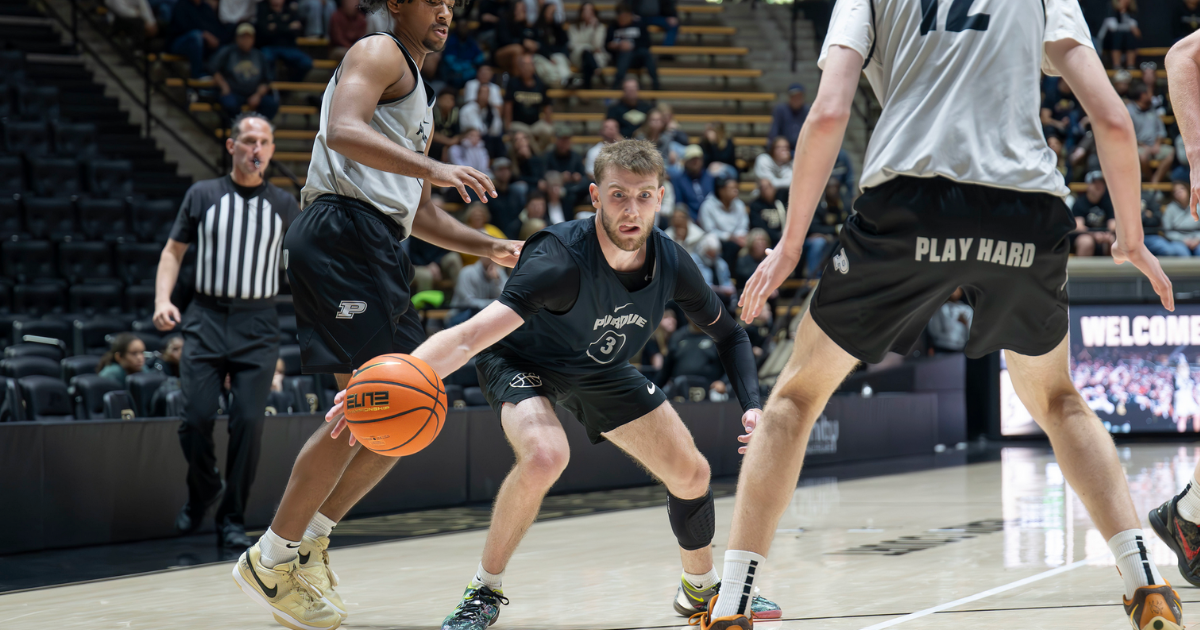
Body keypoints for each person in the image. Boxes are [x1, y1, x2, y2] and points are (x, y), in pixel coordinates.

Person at [698, 0, 1181, 628]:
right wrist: (1132, 238)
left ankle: (734, 598)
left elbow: (829, 113)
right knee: (1059, 401)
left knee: (793, 399)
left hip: (910, 203)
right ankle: (1146, 579)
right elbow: (1113, 120)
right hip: (1026, 213)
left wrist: (790, 245)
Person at [319, 139, 778, 630]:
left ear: (661, 199)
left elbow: (730, 334)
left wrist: (752, 405)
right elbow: (468, 336)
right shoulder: (558, 260)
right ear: (595, 197)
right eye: (619, 195)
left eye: (644, 196)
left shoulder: (671, 261)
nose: (631, 209)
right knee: (545, 454)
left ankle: (700, 591)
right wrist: (380, 381)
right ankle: (483, 591)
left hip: (598, 366)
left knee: (692, 474)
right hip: (521, 358)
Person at [229, 0, 520, 626]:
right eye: (431, 0)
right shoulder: (378, 51)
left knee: (408, 411)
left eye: (451, 2)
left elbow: (416, 212)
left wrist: (491, 246)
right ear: (397, 4)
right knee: (369, 404)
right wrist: (434, 166)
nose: (444, 11)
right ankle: (272, 554)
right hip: (342, 231)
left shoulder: (420, 92)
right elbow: (342, 129)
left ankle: (308, 543)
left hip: (377, 240)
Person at [152, 113, 299, 550]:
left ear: (271, 151)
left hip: (258, 323)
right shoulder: (203, 194)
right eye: (249, 140)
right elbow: (172, 251)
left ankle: (232, 516)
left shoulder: (285, 205)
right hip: (206, 318)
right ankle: (204, 492)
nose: (257, 149)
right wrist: (164, 300)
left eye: (265, 142)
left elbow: (306, 264)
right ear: (232, 146)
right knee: (194, 419)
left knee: (249, 424)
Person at [211, 24, 279, 121]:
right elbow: (214, 70)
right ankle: (235, 129)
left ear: (253, 39)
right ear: (237, 38)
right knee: (229, 103)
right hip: (234, 92)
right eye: (243, 37)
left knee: (271, 104)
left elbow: (267, 80)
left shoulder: (259, 55)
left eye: (248, 37)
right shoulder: (228, 52)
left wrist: (258, 95)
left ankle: (258, 128)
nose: (246, 40)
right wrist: (224, 86)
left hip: (253, 92)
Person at [504, 53, 556, 152]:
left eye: (528, 65)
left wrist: (548, 122)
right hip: (518, 123)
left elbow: (547, 105)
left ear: (533, 67)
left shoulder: (540, 84)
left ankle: (534, 154)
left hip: (535, 123)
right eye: (523, 66)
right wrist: (508, 125)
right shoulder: (513, 83)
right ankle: (538, 156)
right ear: (520, 68)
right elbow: (508, 105)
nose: (526, 68)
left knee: (548, 131)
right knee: (524, 133)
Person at [1127, 82, 1174, 183]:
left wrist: (1157, 144)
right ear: (1142, 95)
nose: (1151, 96)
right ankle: (1150, 181)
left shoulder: (1152, 109)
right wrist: (1144, 146)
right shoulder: (1129, 111)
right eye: (1148, 93)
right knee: (1142, 156)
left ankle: (1155, 181)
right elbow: (1127, 135)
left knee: (1171, 153)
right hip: (1138, 147)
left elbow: (1161, 130)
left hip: (1155, 145)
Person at [167, 0, 227, 79]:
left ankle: (216, 72)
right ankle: (197, 74)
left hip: (203, 44)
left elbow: (215, 27)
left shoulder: (206, 7)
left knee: (223, 38)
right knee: (196, 36)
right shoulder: (181, 5)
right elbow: (181, 27)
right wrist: (203, 34)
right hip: (179, 43)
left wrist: (214, 38)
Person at [606, 2, 659, 91]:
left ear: (630, 15)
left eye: (625, 16)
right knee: (626, 53)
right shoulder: (613, 27)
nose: (623, 19)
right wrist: (617, 46)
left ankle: (656, 83)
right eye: (620, 17)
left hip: (638, 57)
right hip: (620, 57)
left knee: (646, 53)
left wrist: (632, 45)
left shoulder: (639, 25)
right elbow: (607, 44)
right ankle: (616, 84)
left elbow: (647, 43)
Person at [256, 0, 312, 82]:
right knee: (265, 58)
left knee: (307, 63)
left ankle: (291, 85)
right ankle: (271, 87)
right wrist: (288, 27)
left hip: (288, 47)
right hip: (270, 46)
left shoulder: (290, 10)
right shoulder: (263, 9)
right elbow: (263, 31)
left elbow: (296, 31)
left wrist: (276, 27)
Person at [448, 257, 508, 324]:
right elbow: (469, 303)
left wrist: (496, 281)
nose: (490, 257)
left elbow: (506, 297)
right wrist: (495, 303)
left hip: (484, 316)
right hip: (461, 316)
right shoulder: (467, 272)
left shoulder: (499, 273)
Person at [1073, 170, 1116, 256]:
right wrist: (1094, 234)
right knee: (1086, 242)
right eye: (1095, 183)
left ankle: (1113, 269)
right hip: (1085, 235)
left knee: (1113, 241)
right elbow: (1078, 226)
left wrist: (1107, 234)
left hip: (1104, 235)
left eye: (1101, 183)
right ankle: (1082, 269)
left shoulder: (1109, 202)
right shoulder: (1080, 202)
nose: (1099, 186)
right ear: (1088, 185)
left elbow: (1113, 224)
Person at [568, 1, 608, 89]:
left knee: (587, 60)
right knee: (586, 53)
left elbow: (597, 45)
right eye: (585, 10)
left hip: (595, 56)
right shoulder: (573, 27)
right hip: (577, 56)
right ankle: (597, 70)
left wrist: (593, 28)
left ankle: (586, 87)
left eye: (590, 11)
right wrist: (588, 48)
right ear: (581, 12)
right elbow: (573, 45)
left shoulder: (599, 27)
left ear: (594, 13)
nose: (587, 13)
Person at [672, 144, 714, 218]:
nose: (696, 162)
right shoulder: (678, 180)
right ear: (686, 161)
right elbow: (680, 204)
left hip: (712, 217)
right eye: (692, 159)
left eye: (698, 159)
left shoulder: (710, 177)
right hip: (690, 220)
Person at [926, 287, 973, 352]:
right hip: (942, 347)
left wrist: (965, 323)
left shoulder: (967, 309)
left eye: (957, 288)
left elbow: (971, 333)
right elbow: (934, 331)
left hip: (961, 348)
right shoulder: (941, 309)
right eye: (953, 288)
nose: (955, 291)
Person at [1098, 0, 1141, 70]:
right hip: (1110, 39)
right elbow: (1113, 27)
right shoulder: (1111, 9)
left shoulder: (1132, 11)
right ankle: (1116, 65)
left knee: (1130, 37)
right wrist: (1121, 10)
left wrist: (1124, 12)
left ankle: (1130, 66)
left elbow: (1136, 31)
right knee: (1118, 36)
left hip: (1126, 40)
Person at [1164, 176, 1200, 255]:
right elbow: (1167, 231)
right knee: (1182, 253)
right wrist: (1183, 240)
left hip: (1196, 238)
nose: (1178, 192)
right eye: (1175, 191)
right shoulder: (1170, 209)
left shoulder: (1198, 206)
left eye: (1181, 189)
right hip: (1178, 240)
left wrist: (1197, 239)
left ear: (1187, 189)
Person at [767, 83, 807, 151]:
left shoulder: (808, 111)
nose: (796, 99)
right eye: (794, 96)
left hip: (803, 150)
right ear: (789, 97)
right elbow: (774, 132)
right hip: (784, 150)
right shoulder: (780, 110)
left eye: (799, 96)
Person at [748, 178, 784, 245]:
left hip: (781, 237)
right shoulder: (755, 205)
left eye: (768, 186)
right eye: (762, 187)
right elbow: (758, 226)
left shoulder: (779, 203)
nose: (766, 190)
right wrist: (776, 236)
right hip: (766, 239)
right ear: (759, 190)